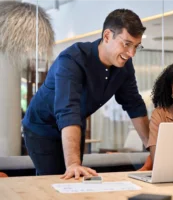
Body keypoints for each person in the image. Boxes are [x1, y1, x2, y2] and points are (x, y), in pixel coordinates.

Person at [22, 9, 149, 179]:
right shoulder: (72, 60)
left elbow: (134, 105)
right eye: (126, 44)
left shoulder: (124, 66)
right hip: (42, 126)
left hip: (75, 124)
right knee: (54, 178)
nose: (131, 53)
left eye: (136, 46)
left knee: (76, 177)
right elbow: (68, 110)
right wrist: (73, 163)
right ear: (107, 36)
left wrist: (152, 149)